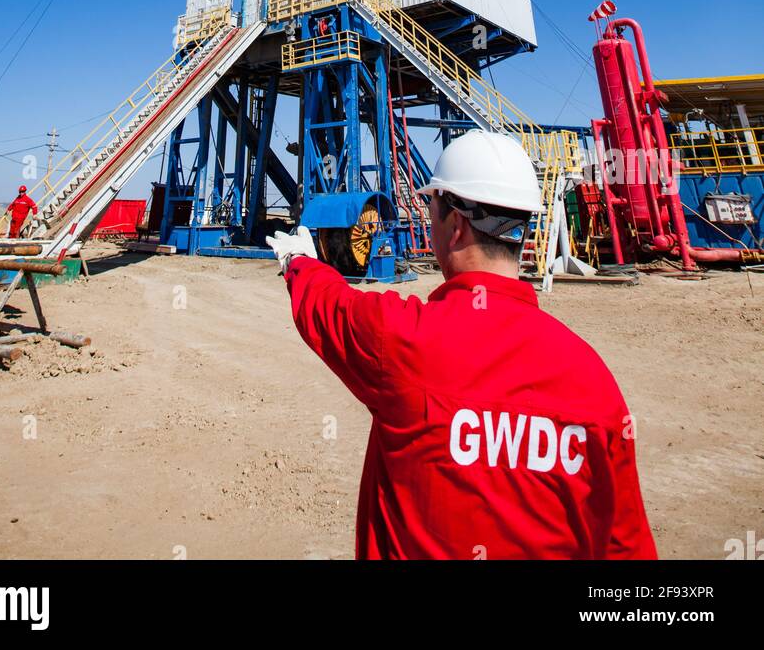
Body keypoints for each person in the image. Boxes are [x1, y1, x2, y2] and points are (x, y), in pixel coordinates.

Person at [267, 130, 657, 561]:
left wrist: (298, 262)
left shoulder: (401, 340)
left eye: (432, 209)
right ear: (524, 230)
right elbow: (626, 545)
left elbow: (331, 309)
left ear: (455, 227)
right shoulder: (594, 380)